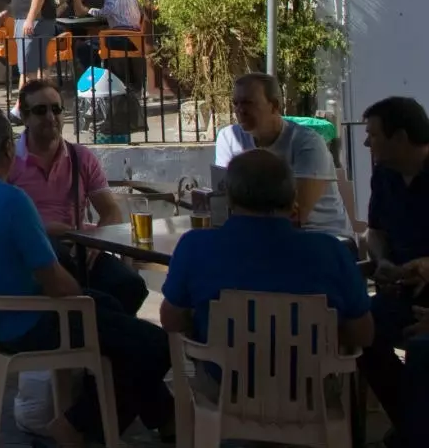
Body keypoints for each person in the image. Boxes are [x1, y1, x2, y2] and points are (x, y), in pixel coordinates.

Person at [0, 106, 173, 446]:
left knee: (118, 317)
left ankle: (166, 416)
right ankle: (76, 426)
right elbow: (60, 286)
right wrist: (80, 294)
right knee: (154, 342)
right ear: (5, 148)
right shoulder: (13, 202)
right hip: (28, 324)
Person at [162, 148, 372, 350]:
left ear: (230, 198)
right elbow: (363, 333)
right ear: (292, 198)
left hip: (222, 383)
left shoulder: (195, 247)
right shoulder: (332, 252)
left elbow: (171, 320)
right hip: (311, 384)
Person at [9, 79, 149, 315]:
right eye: (41, 110)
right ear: (24, 117)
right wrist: (48, 229)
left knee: (131, 286)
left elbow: (110, 211)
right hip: (33, 252)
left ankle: (99, 343)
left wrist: (98, 242)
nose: (51, 117)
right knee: (93, 300)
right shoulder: (9, 161)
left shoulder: (80, 157)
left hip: (78, 248)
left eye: (56, 109)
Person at [357, 95, 429, 444]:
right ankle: (410, 425)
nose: (367, 142)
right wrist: (382, 260)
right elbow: (377, 232)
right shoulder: (384, 176)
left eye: (373, 134)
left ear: (400, 137)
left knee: (423, 352)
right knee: (359, 333)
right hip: (399, 288)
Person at [214, 72, 350, 238]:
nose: (240, 110)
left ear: (274, 105)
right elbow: (224, 201)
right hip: (257, 238)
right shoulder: (228, 138)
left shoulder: (307, 143)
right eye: (236, 103)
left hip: (320, 238)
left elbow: (295, 216)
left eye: (248, 103)